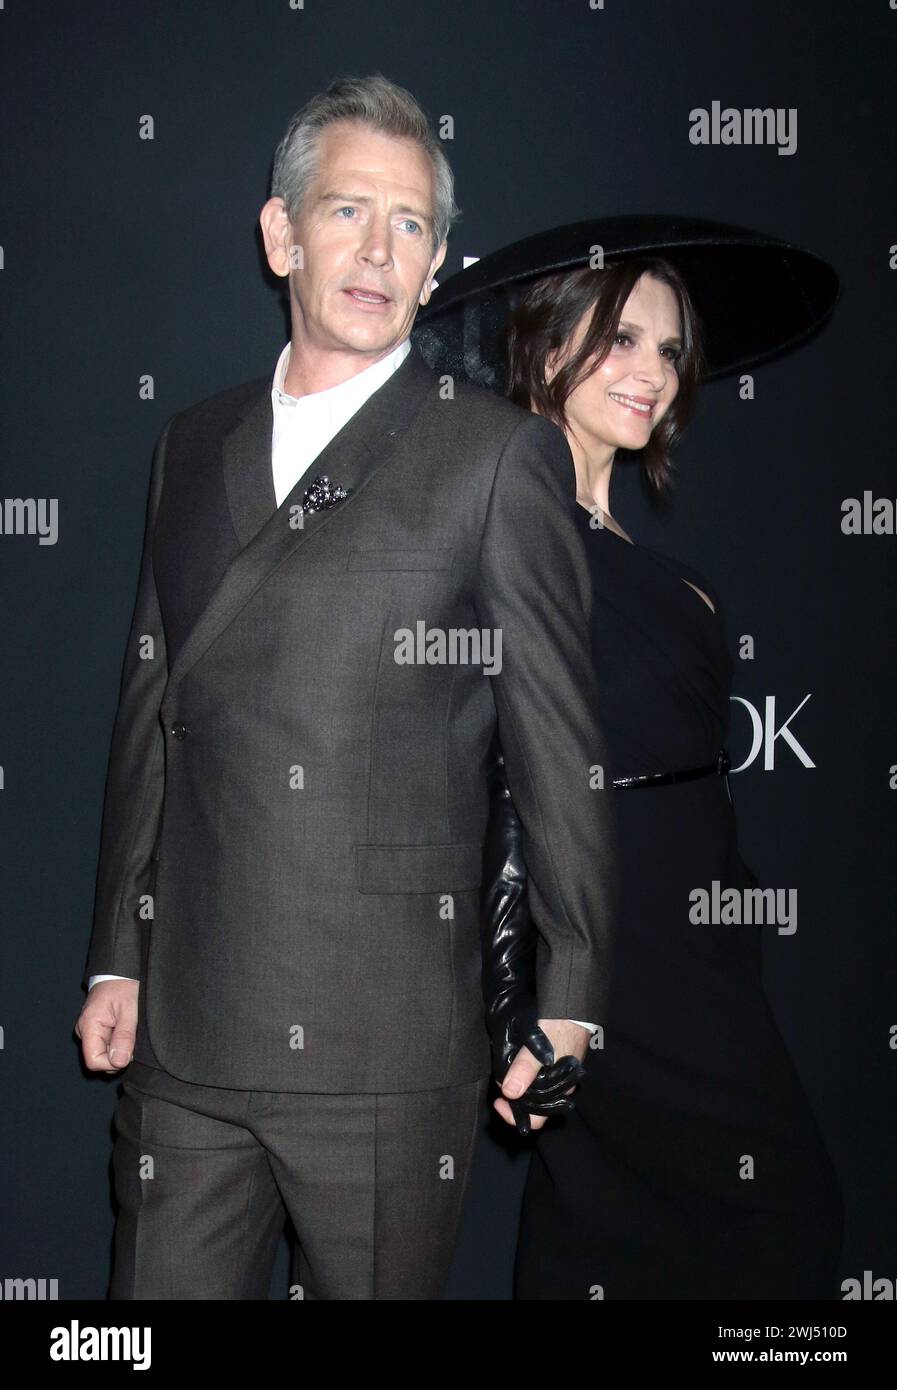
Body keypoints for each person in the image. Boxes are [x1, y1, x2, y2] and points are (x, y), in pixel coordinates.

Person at [74, 76, 617, 1301]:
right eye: (347, 211)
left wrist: (573, 989)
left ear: (436, 267)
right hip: (187, 1037)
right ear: (281, 234)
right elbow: (147, 713)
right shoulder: (189, 446)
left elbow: (555, 742)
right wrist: (118, 952)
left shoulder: (491, 455)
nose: (379, 250)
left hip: (388, 1053)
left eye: (412, 224)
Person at [420, 217, 844, 1298]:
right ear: (548, 344)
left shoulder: (638, 557)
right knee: (777, 1211)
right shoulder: (509, 530)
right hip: (608, 940)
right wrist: (525, 994)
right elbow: (504, 774)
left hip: (703, 942)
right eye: (620, 340)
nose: (651, 371)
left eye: (668, 349)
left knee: (609, 1226)